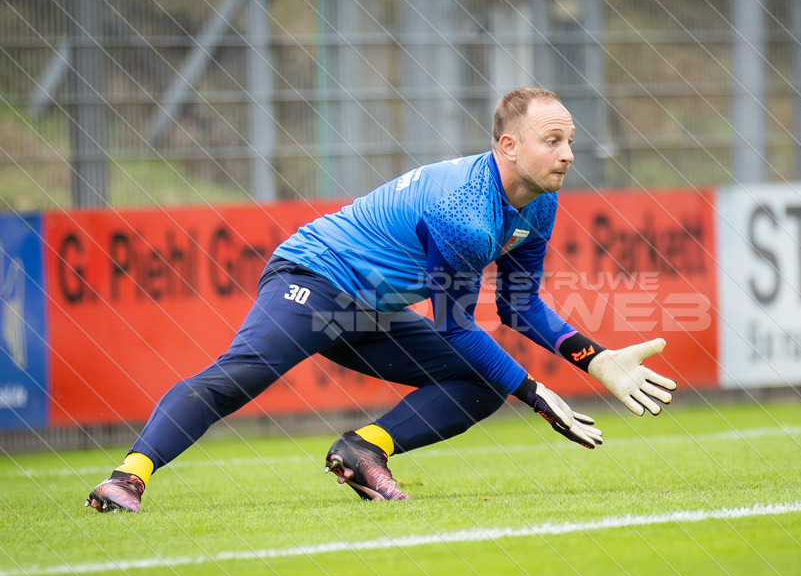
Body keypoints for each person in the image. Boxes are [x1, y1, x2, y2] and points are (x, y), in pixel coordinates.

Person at [86, 87, 677, 512]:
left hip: (369, 310)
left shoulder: (539, 200)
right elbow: (454, 326)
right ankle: (127, 477)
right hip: (315, 281)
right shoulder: (465, 212)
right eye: (554, 141)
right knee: (240, 378)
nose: (569, 155)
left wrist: (594, 359)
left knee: (478, 386)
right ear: (509, 145)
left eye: (570, 141)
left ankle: (364, 451)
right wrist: (535, 389)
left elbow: (520, 306)